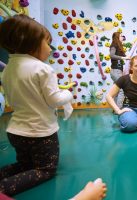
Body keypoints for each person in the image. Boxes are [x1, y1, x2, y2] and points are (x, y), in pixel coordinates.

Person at [0, 14, 73, 196]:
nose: (50, 48)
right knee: (45, 169)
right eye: (47, 43)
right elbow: (54, 100)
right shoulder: (43, 69)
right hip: (40, 133)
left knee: (24, 165)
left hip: (15, 131)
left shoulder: (8, 68)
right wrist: (68, 94)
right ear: (30, 42)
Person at [109, 32, 131, 109]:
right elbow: (111, 55)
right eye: (121, 36)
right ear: (117, 37)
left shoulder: (119, 47)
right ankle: (118, 109)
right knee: (122, 90)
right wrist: (124, 58)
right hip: (115, 71)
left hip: (117, 71)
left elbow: (125, 56)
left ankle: (115, 108)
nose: (123, 37)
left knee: (117, 91)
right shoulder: (114, 44)